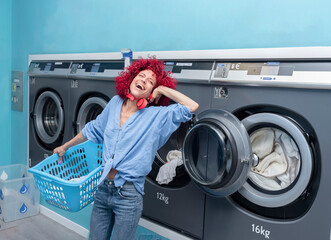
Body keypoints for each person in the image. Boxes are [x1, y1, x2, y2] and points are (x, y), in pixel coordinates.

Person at [53, 57, 199, 240]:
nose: (143, 81)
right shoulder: (115, 103)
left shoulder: (156, 116)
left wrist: (162, 89)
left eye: (150, 82)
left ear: (151, 93)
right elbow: (92, 129)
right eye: (141, 75)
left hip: (128, 194)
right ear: (131, 78)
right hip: (103, 188)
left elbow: (191, 107)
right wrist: (64, 146)